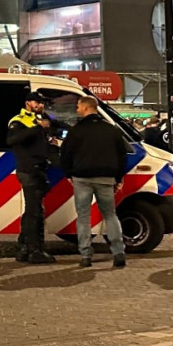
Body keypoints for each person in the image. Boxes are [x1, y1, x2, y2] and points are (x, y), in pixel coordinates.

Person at [59, 96, 128, 269]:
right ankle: (118, 252)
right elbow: (122, 155)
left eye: (78, 107)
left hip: (82, 178)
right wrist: (118, 178)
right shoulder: (111, 130)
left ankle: (85, 255)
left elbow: (65, 154)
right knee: (110, 215)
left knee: (83, 217)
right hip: (106, 178)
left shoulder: (76, 130)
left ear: (85, 107)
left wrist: (68, 173)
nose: (76, 110)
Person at [7, 92, 57, 263]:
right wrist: (37, 128)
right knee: (34, 212)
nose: (40, 105)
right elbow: (12, 139)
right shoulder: (19, 120)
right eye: (37, 102)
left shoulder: (42, 119)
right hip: (29, 170)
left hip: (39, 170)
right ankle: (35, 251)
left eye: (42, 103)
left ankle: (24, 247)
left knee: (33, 211)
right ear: (28, 103)